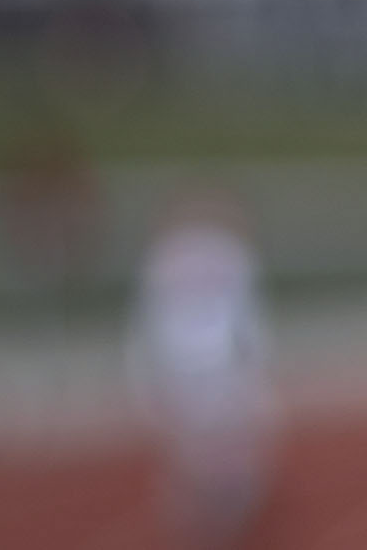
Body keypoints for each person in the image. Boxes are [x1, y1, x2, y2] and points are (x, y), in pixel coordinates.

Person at [131, 193, 277, 546]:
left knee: (206, 441)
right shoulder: (227, 254)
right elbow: (247, 314)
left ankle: (212, 503)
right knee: (227, 438)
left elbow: (148, 319)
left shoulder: (165, 258)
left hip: (185, 361)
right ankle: (220, 503)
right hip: (214, 360)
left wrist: (141, 369)